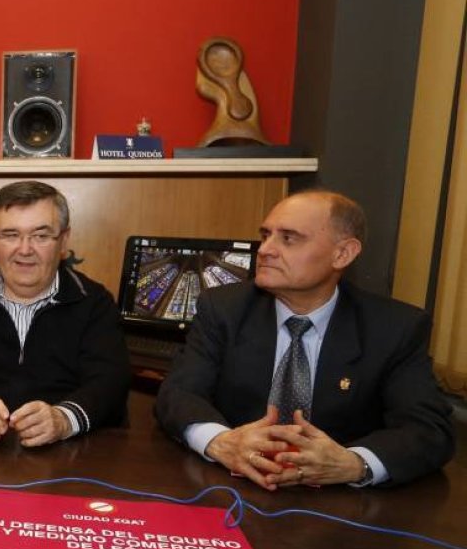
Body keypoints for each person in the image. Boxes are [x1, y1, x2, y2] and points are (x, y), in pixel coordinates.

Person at [155, 190, 455, 488]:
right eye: (266, 235)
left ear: (343, 254)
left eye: (288, 238)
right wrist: (220, 441)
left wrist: (354, 464)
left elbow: (428, 430)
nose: (265, 250)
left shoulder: (394, 328)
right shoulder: (223, 308)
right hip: (233, 488)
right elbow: (179, 393)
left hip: (341, 506)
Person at [0, 181, 130, 446]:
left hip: (68, 454)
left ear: (63, 240)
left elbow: (110, 382)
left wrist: (64, 419)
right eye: (10, 235)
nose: (24, 249)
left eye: (41, 236)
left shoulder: (95, 302)